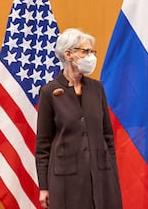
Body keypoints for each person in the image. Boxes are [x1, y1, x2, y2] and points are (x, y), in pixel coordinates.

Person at [35, 28, 122, 209]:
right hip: (66, 180)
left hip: (101, 176)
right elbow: (43, 145)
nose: (90, 56)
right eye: (85, 51)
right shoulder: (49, 92)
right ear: (68, 54)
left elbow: (108, 135)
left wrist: (112, 172)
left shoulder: (97, 89)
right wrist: (44, 187)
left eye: (92, 52)